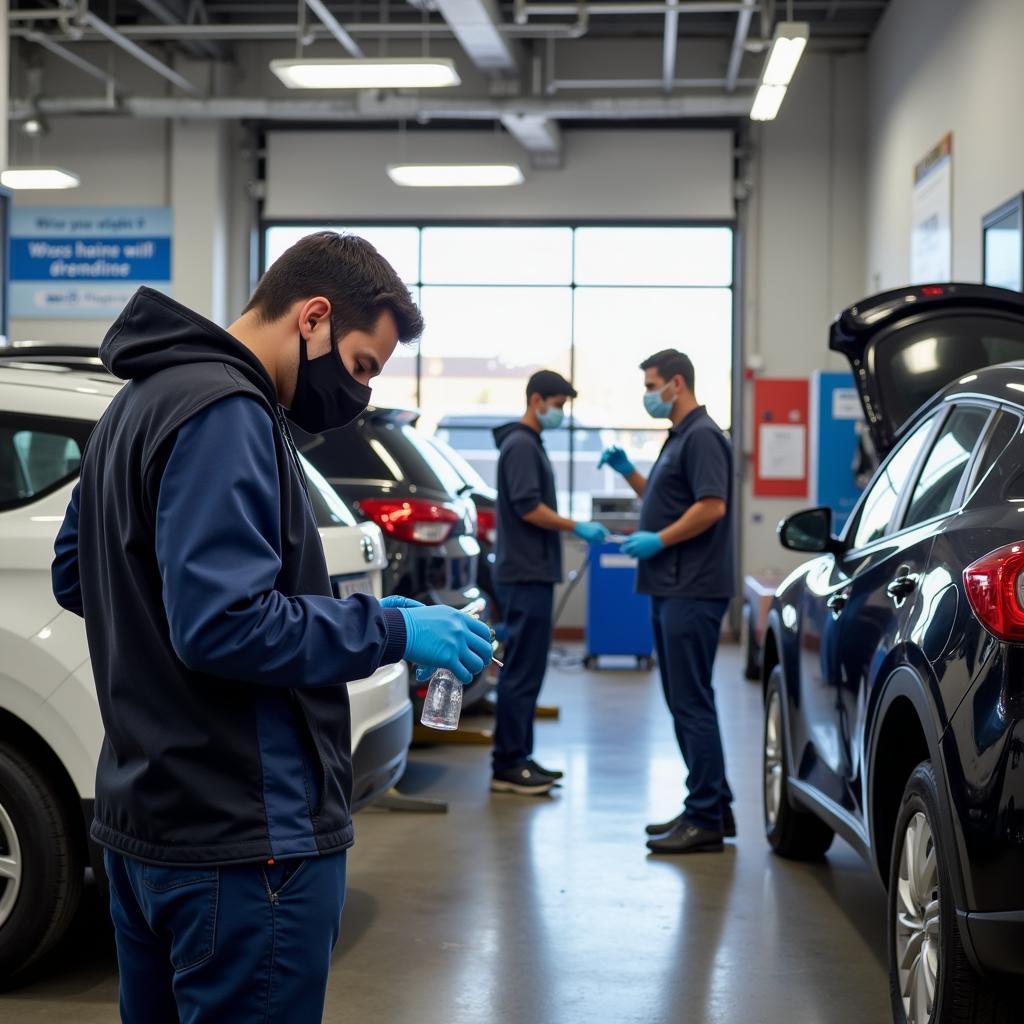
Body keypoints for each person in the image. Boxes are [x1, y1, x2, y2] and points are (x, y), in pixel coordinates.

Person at [50, 232, 494, 1023]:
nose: (355, 394)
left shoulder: (136, 403)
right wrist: (389, 631)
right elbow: (224, 624)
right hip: (243, 841)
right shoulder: (228, 413)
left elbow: (78, 573)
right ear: (314, 316)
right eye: (360, 365)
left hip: (144, 823)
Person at [598, 349, 736, 854]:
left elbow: (711, 506)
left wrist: (659, 541)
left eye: (653, 384)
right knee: (687, 699)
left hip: (692, 586)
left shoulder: (702, 436)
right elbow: (668, 498)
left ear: (677, 383)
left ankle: (704, 818)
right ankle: (714, 805)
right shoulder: (680, 436)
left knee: (689, 701)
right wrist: (629, 473)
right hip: (672, 585)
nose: (648, 395)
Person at [490, 370, 609, 795]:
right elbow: (528, 508)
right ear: (536, 399)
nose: (560, 413)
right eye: (557, 404)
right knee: (521, 671)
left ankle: (518, 756)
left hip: (530, 571)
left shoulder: (527, 443)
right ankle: (508, 764)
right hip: (524, 573)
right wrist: (578, 526)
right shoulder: (521, 445)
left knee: (528, 668)